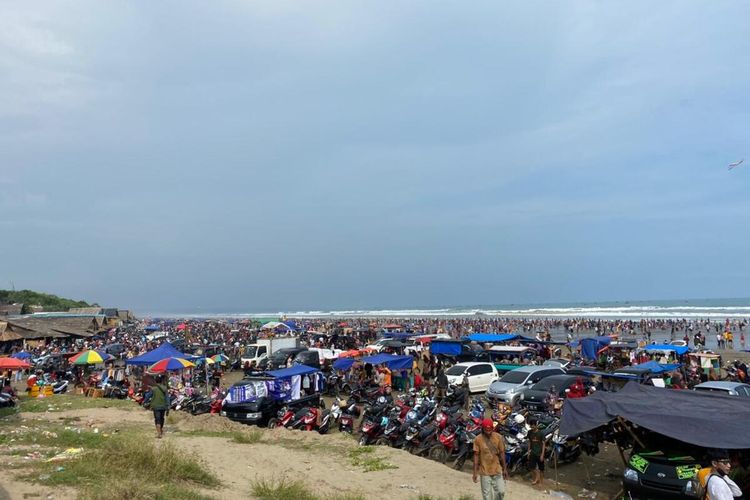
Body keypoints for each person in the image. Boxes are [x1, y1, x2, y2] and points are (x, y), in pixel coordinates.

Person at [473, 418, 507, 500]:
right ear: (483, 429)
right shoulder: (478, 439)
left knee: (501, 491)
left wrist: (504, 469)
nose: (488, 431)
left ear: (492, 428)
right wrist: (475, 472)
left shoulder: (498, 437)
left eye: (490, 429)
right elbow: (476, 455)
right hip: (484, 471)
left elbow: (502, 453)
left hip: (497, 469)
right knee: (487, 496)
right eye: (486, 429)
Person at [527, 418, 546, 486]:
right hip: (533, 452)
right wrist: (528, 452)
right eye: (531, 426)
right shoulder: (529, 432)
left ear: (536, 425)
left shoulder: (541, 433)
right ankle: (536, 478)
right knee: (531, 467)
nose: (532, 427)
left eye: (533, 426)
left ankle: (541, 481)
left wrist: (542, 454)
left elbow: (544, 444)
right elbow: (529, 442)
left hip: (539, 453)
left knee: (541, 469)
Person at [150, 374, 170, 439]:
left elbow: (148, 396)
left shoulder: (153, 388)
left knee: (157, 419)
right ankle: (160, 430)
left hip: (155, 406)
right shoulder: (165, 388)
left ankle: (159, 433)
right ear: (161, 381)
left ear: (155, 381)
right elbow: (167, 398)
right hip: (163, 406)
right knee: (162, 418)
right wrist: (168, 406)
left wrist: (144, 402)